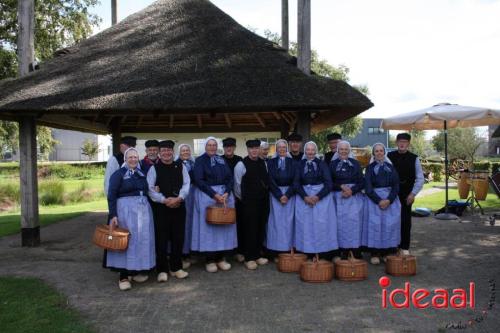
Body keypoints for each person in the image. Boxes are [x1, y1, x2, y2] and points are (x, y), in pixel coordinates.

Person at [106, 147, 155, 290]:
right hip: (125, 211)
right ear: (125, 159)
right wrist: (113, 214)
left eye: (135, 157)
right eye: (130, 157)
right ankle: (123, 275)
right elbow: (111, 195)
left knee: (139, 241)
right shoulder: (118, 174)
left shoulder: (141, 173)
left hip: (143, 211)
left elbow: (147, 190)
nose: (133, 160)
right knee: (126, 241)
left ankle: (136, 270)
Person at [147, 140, 191, 282]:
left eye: (169, 150)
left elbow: (186, 184)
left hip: (179, 207)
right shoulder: (154, 168)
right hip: (161, 209)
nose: (166, 153)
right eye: (163, 150)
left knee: (178, 238)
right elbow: (150, 188)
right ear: (160, 153)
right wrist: (164, 200)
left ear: (173, 152)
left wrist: (179, 198)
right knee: (162, 239)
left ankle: (176, 268)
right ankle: (162, 270)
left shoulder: (181, 166)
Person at [192, 137, 237, 273]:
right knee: (209, 229)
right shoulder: (200, 160)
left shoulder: (221, 159)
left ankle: (221, 258)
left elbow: (230, 178)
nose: (212, 147)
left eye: (214, 145)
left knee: (223, 227)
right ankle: (209, 259)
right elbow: (199, 180)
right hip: (207, 195)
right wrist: (213, 194)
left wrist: (227, 192)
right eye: (209, 145)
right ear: (205, 147)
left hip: (224, 196)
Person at [294, 141, 338, 259]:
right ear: (305, 151)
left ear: (316, 151)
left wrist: (318, 196)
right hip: (304, 198)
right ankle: (307, 252)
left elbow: (329, 183)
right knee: (306, 226)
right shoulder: (300, 164)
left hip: (321, 199)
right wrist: (305, 196)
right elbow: (296, 183)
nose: (310, 152)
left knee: (321, 225)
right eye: (308, 150)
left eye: (312, 150)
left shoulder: (322, 164)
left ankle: (322, 252)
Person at [234, 139, 270, 270]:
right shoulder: (241, 165)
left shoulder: (263, 163)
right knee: (249, 229)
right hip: (248, 203)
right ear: (248, 150)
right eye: (251, 148)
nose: (254, 151)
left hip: (263, 201)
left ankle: (257, 254)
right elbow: (237, 186)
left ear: (259, 149)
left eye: (256, 148)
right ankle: (248, 257)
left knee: (260, 227)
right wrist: (245, 201)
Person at [363, 143, 401, 264]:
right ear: (373, 154)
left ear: (384, 153)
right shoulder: (369, 168)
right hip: (375, 200)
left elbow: (396, 185)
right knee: (375, 225)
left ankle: (387, 252)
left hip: (390, 200)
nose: (379, 153)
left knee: (389, 225)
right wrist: (379, 201)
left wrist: (389, 200)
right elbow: (368, 187)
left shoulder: (391, 167)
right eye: (376, 151)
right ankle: (374, 252)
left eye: (381, 151)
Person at [387, 133, 424, 255]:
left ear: (408, 143)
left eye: (405, 142)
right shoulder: (389, 156)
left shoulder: (414, 158)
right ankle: (391, 246)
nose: (402, 144)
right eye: (400, 141)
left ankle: (404, 247)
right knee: (390, 220)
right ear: (396, 143)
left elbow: (420, 179)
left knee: (405, 221)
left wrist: (413, 194)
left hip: (406, 195)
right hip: (391, 194)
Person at [330, 140, 365, 261]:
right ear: (338, 151)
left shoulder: (355, 163)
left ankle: (355, 250)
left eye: (346, 149)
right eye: (341, 149)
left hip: (354, 198)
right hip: (337, 198)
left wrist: (352, 190)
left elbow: (362, 182)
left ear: (349, 151)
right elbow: (329, 182)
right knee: (339, 225)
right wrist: (341, 187)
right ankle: (341, 251)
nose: (343, 151)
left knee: (354, 224)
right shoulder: (332, 164)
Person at [266, 139, 296, 258]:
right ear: (276, 149)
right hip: (275, 195)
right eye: (280, 147)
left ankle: (288, 249)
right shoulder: (271, 162)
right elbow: (270, 179)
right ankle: (275, 250)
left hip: (289, 195)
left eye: (284, 147)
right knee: (275, 222)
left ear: (287, 148)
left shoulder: (293, 162)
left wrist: (287, 195)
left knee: (288, 222)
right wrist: (279, 195)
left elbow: (296, 180)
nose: (282, 149)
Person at [221, 137, 244, 262]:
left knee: (239, 224)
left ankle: (238, 251)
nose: (229, 148)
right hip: (224, 196)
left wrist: (238, 195)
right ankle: (224, 252)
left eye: (231, 146)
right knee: (224, 224)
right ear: (224, 148)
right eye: (226, 146)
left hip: (238, 197)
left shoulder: (240, 160)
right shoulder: (219, 160)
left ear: (234, 147)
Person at [176, 143, 196, 267]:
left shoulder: (193, 163)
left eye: (187, 150)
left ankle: (190, 251)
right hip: (182, 195)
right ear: (179, 152)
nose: (185, 152)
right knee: (183, 224)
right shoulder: (176, 164)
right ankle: (182, 254)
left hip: (193, 195)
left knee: (192, 223)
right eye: (183, 150)